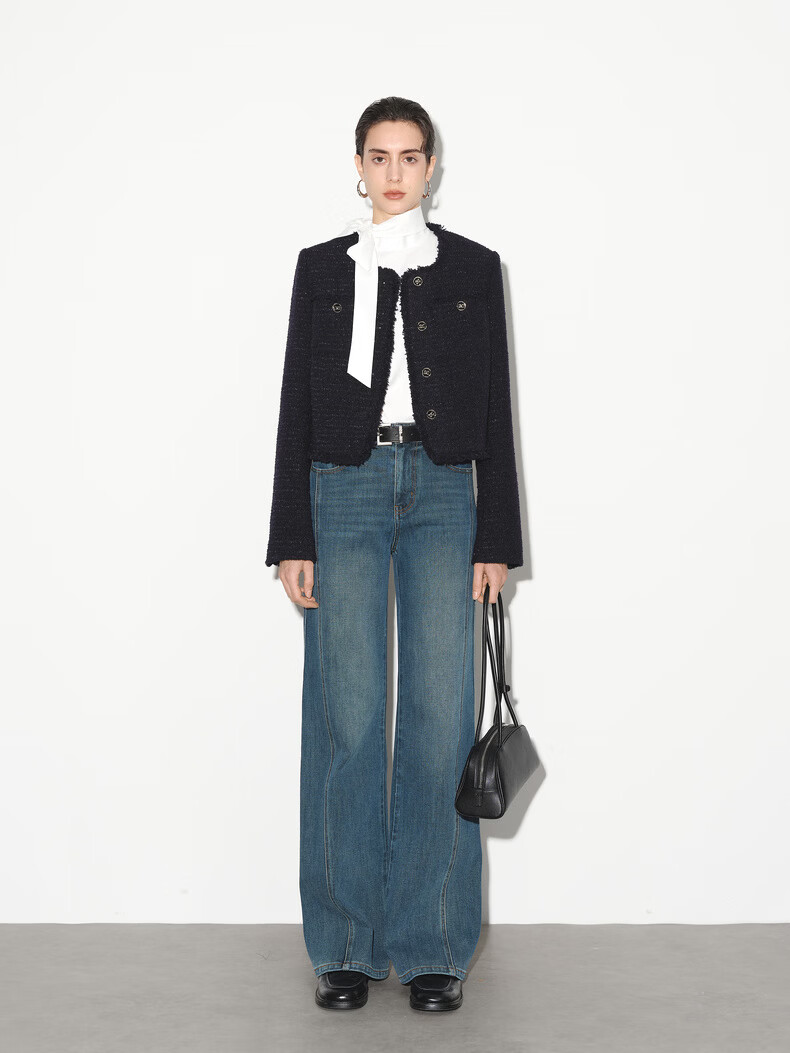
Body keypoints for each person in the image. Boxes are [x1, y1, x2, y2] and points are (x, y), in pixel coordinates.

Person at [265, 96, 523, 1012]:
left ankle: (432, 943)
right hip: (343, 489)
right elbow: (296, 403)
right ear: (359, 165)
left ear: (432, 165)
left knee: (440, 716)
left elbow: (495, 406)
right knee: (348, 714)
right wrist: (289, 535)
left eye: (410, 156)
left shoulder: (473, 268)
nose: (395, 173)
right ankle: (343, 942)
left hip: (447, 493)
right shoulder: (322, 268)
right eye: (380, 156)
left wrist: (498, 537)